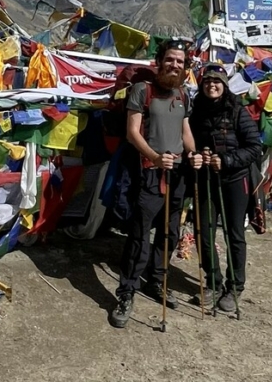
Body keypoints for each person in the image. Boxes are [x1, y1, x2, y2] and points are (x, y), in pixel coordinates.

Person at [109, 39, 199, 329]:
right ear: (160, 61)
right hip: (149, 173)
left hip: (177, 175)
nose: (175, 65)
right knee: (138, 237)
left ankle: (157, 282)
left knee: (169, 233)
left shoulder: (183, 95)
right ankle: (126, 292)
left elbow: (185, 131)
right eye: (170, 59)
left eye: (180, 62)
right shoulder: (142, 91)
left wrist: (194, 154)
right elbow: (133, 133)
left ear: (185, 67)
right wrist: (155, 158)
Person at [189, 63, 263, 317]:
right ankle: (213, 281)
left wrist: (227, 160)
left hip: (234, 180)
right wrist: (198, 154)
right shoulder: (196, 110)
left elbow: (255, 147)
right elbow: (190, 141)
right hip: (206, 180)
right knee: (204, 234)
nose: (212, 84)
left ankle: (234, 286)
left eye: (217, 81)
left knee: (234, 235)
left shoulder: (237, 111)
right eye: (208, 81)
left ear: (224, 85)